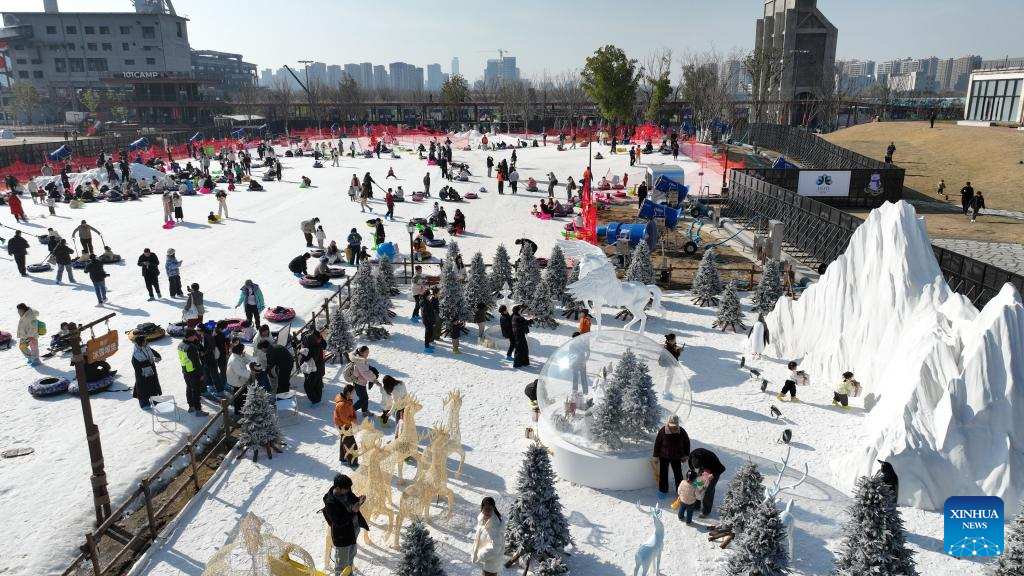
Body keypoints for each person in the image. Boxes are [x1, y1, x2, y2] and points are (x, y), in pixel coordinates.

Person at [322, 473, 368, 575]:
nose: (348, 490)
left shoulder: (346, 491)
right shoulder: (330, 503)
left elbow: (352, 499)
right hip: (342, 538)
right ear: (337, 488)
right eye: (346, 489)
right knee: (341, 567)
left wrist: (359, 500)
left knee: (350, 559)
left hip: (352, 533)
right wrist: (353, 511)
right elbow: (338, 522)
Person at [653, 415, 691, 496]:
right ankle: (663, 491)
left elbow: (687, 443)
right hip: (664, 456)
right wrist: (655, 456)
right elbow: (657, 444)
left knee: (678, 475)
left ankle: (680, 492)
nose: (673, 428)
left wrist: (686, 455)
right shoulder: (663, 431)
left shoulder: (681, 431)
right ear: (668, 424)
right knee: (663, 474)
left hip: (677, 457)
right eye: (671, 426)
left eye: (675, 426)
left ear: (677, 424)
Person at [687, 447, 726, 517]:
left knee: (708, 491)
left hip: (714, 471)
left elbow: (722, 468)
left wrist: (713, 475)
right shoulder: (692, 455)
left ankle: (706, 511)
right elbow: (692, 467)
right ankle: (696, 505)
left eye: (699, 467)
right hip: (704, 467)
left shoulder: (711, 460)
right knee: (697, 486)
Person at [471, 497, 505, 576]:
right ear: (482, 508)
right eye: (485, 508)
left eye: (490, 509)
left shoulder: (495, 525)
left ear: (493, 508)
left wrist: (479, 555)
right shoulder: (483, 520)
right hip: (487, 562)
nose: (487, 511)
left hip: (491, 564)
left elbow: (495, 548)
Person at [178, 329, 207, 416]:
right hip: (193, 371)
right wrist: (201, 374)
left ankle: (191, 406)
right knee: (196, 390)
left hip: (185, 370)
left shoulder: (181, 345)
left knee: (189, 388)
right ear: (190, 336)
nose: (195, 336)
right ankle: (198, 410)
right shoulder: (191, 347)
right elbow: (196, 362)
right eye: (194, 335)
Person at [333, 385, 359, 466]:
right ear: (348, 393)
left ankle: (343, 458)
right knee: (351, 445)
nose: (354, 394)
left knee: (344, 441)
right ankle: (353, 463)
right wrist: (354, 420)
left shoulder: (347, 400)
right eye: (353, 393)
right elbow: (345, 419)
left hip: (343, 426)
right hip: (345, 426)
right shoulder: (342, 405)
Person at [226, 343, 254, 413]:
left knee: (241, 396)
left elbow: (246, 361)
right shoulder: (234, 360)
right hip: (237, 381)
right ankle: (238, 412)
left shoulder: (237, 356)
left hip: (239, 380)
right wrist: (251, 373)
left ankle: (242, 409)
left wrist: (245, 356)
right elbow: (240, 372)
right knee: (239, 397)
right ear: (239, 351)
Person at [350, 345, 377, 417]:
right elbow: (365, 373)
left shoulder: (360, 359)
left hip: (360, 382)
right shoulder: (360, 361)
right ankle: (350, 411)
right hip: (359, 383)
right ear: (361, 353)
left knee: (364, 398)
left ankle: (364, 411)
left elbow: (366, 370)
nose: (368, 354)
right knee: (363, 399)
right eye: (366, 352)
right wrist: (374, 379)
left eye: (368, 352)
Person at [301, 327, 326, 404]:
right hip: (318, 367)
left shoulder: (313, 347)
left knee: (309, 385)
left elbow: (307, 359)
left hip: (313, 369)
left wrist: (302, 351)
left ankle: (315, 399)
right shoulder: (316, 344)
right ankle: (317, 398)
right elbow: (324, 344)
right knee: (317, 383)